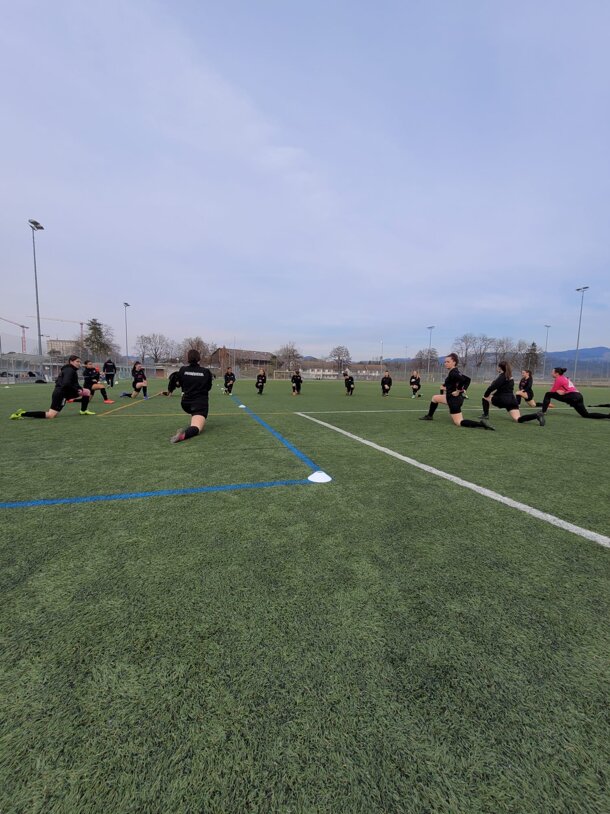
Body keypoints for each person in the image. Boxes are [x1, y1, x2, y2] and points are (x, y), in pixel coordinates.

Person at [419, 353, 494, 430]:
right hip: (452, 398)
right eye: (445, 362)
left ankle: (481, 424)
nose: (445, 363)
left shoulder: (453, 372)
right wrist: (463, 389)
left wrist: (458, 390)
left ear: (454, 362)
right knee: (435, 398)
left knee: (458, 422)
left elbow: (462, 380)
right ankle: (429, 416)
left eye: (448, 362)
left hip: (454, 400)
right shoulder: (455, 371)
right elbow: (468, 379)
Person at [9, 355, 95, 420]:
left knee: (87, 391)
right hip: (61, 393)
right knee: (51, 415)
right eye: (77, 361)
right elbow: (66, 384)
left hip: (63, 392)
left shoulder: (70, 370)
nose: (79, 363)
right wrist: (77, 390)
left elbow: (69, 382)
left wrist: (79, 388)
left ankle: (83, 410)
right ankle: (22, 413)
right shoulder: (69, 370)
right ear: (71, 362)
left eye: (80, 362)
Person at [166, 349, 214, 443]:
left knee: (194, 413)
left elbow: (177, 383)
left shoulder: (183, 370)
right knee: (197, 427)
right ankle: (182, 436)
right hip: (199, 404)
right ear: (199, 358)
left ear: (188, 358)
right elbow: (208, 387)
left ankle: (194, 417)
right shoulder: (206, 372)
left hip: (186, 403)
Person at [529, 367, 610, 421]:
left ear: (557, 373)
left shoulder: (559, 379)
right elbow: (564, 388)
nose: (551, 373)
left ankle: (543, 411)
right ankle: (608, 416)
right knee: (586, 415)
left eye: (552, 372)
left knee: (548, 394)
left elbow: (552, 391)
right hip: (578, 396)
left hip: (572, 396)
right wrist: (559, 391)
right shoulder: (564, 378)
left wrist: (557, 391)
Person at [480, 362, 544, 426]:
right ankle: (537, 415)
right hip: (512, 400)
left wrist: (486, 395)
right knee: (518, 419)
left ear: (500, 368)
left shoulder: (502, 376)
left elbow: (492, 387)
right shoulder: (510, 376)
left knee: (484, 397)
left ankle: (485, 415)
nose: (497, 368)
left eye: (498, 366)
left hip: (502, 399)